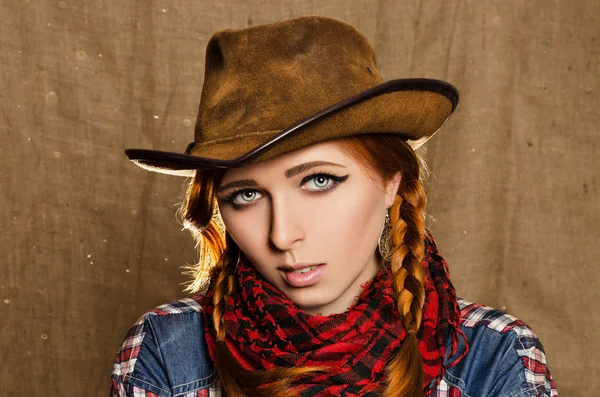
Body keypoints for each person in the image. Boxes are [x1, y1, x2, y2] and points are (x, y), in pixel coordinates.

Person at [110, 15, 558, 397]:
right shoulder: (168, 351)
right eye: (246, 195)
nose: (282, 235)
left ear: (391, 183)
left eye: (319, 180)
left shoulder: (493, 356)